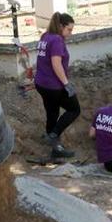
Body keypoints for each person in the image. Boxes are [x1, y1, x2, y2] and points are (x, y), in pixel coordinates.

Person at [34, 12, 79, 158]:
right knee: (74, 109)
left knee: (52, 113)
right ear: (61, 26)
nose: (70, 33)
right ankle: (53, 135)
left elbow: (42, 60)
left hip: (41, 83)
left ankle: (56, 149)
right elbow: (56, 63)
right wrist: (66, 83)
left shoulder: (45, 36)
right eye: (69, 29)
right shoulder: (57, 40)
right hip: (54, 86)